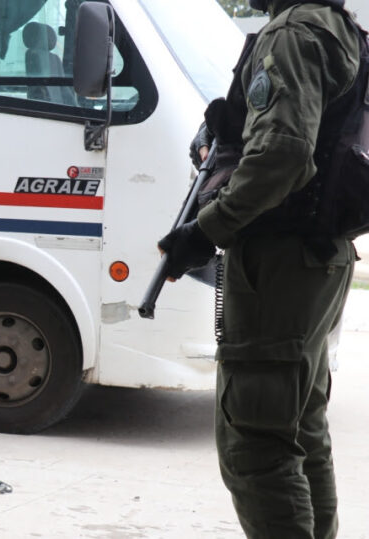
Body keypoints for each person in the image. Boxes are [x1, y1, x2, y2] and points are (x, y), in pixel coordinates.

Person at [160, 1, 359, 536]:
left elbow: (284, 155)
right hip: (316, 259)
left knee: (256, 445)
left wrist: (206, 230)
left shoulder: (292, 32)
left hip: (279, 265)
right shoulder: (339, 29)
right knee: (301, 433)